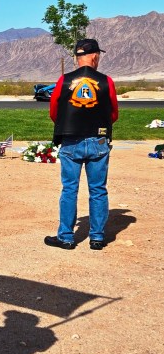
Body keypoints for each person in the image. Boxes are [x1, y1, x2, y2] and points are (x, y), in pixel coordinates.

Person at [45, 38, 118, 251]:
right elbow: (114, 113)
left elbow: (54, 111)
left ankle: (66, 237)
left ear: (77, 57)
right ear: (95, 56)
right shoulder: (106, 81)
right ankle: (97, 237)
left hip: (71, 140)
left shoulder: (64, 80)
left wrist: (68, 126)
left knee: (69, 189)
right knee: (98, 189)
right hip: (98, 140)